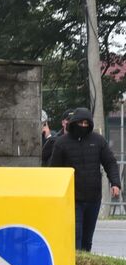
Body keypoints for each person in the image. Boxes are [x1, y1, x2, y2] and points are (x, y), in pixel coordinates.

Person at [48, 107, 121, 252]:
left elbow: (110, 162)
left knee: (87, 238)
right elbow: (54, 170)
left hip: (94, 198)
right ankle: (76, 261)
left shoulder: (98, 141)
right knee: (76, 236)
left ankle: (86, 260)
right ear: (73, 122)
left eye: (86, 123)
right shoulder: (61, 143)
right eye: (80, 123)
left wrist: (115, 183)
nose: (83, 126)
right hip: (73, 199)